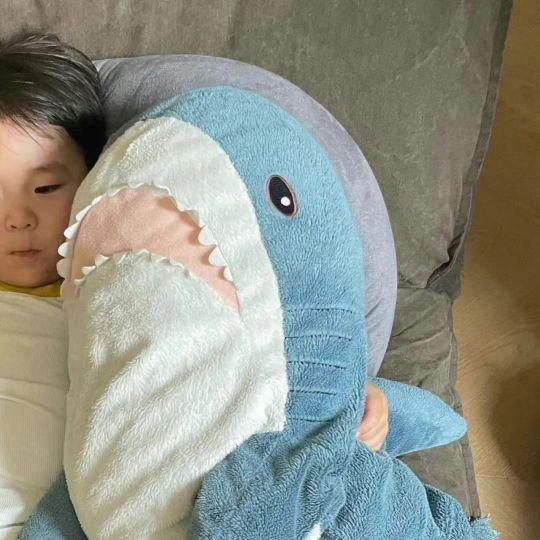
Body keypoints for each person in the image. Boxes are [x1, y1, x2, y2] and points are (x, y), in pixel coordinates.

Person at [0, 30, 388, 537]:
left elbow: (256, 353)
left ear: (95, 178)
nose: (17, 218)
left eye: (46, 187)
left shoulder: (124, 281)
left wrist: (357, 399)